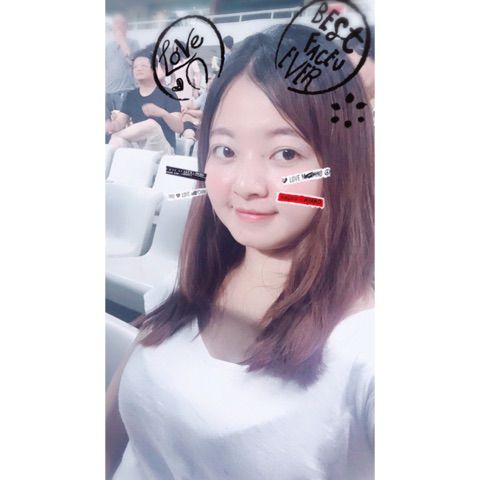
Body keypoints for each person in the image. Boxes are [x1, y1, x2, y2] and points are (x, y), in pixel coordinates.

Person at [107, 24, 374, 480]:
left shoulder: (366, 349)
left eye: (285, 154)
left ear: (342, 162)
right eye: (226, 150)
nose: (247, 185)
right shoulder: (187, 282)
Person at [106, 50, 183, 155]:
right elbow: (120, 122)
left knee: (151, 124)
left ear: (154, 69)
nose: (138, 69)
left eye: (143, 65)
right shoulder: (131, 96)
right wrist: (112, 126)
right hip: (139, 148)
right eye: (135, 67)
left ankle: (115, 136)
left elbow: (179, 128)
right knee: (117, 141)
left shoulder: (168, 94)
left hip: (163, 150)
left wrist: (162, 113)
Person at [105, 14, 140, 119]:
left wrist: (122, 42)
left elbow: (133, 63)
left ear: (127, 26)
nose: (119, 26)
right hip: (108, 91)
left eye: (122, 24)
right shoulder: (108, 46)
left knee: (123, 122)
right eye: (116, 23)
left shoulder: (134, 43)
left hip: (125, 91)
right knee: (108, 123)